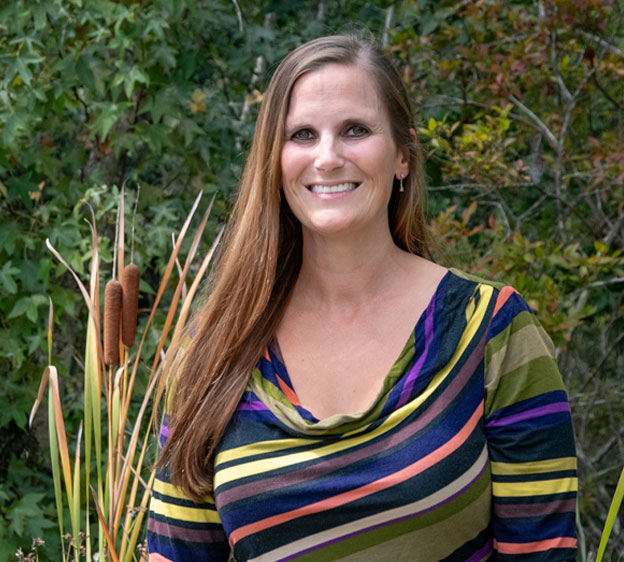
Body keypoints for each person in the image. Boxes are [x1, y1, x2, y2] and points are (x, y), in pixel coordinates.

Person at [147, 34, 578, 561]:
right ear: (273, 162)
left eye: (355, 130)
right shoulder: (215, 353)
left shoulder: (490, 330)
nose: (327, 158)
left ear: (402, 155)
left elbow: (546, 552)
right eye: (302, 134)